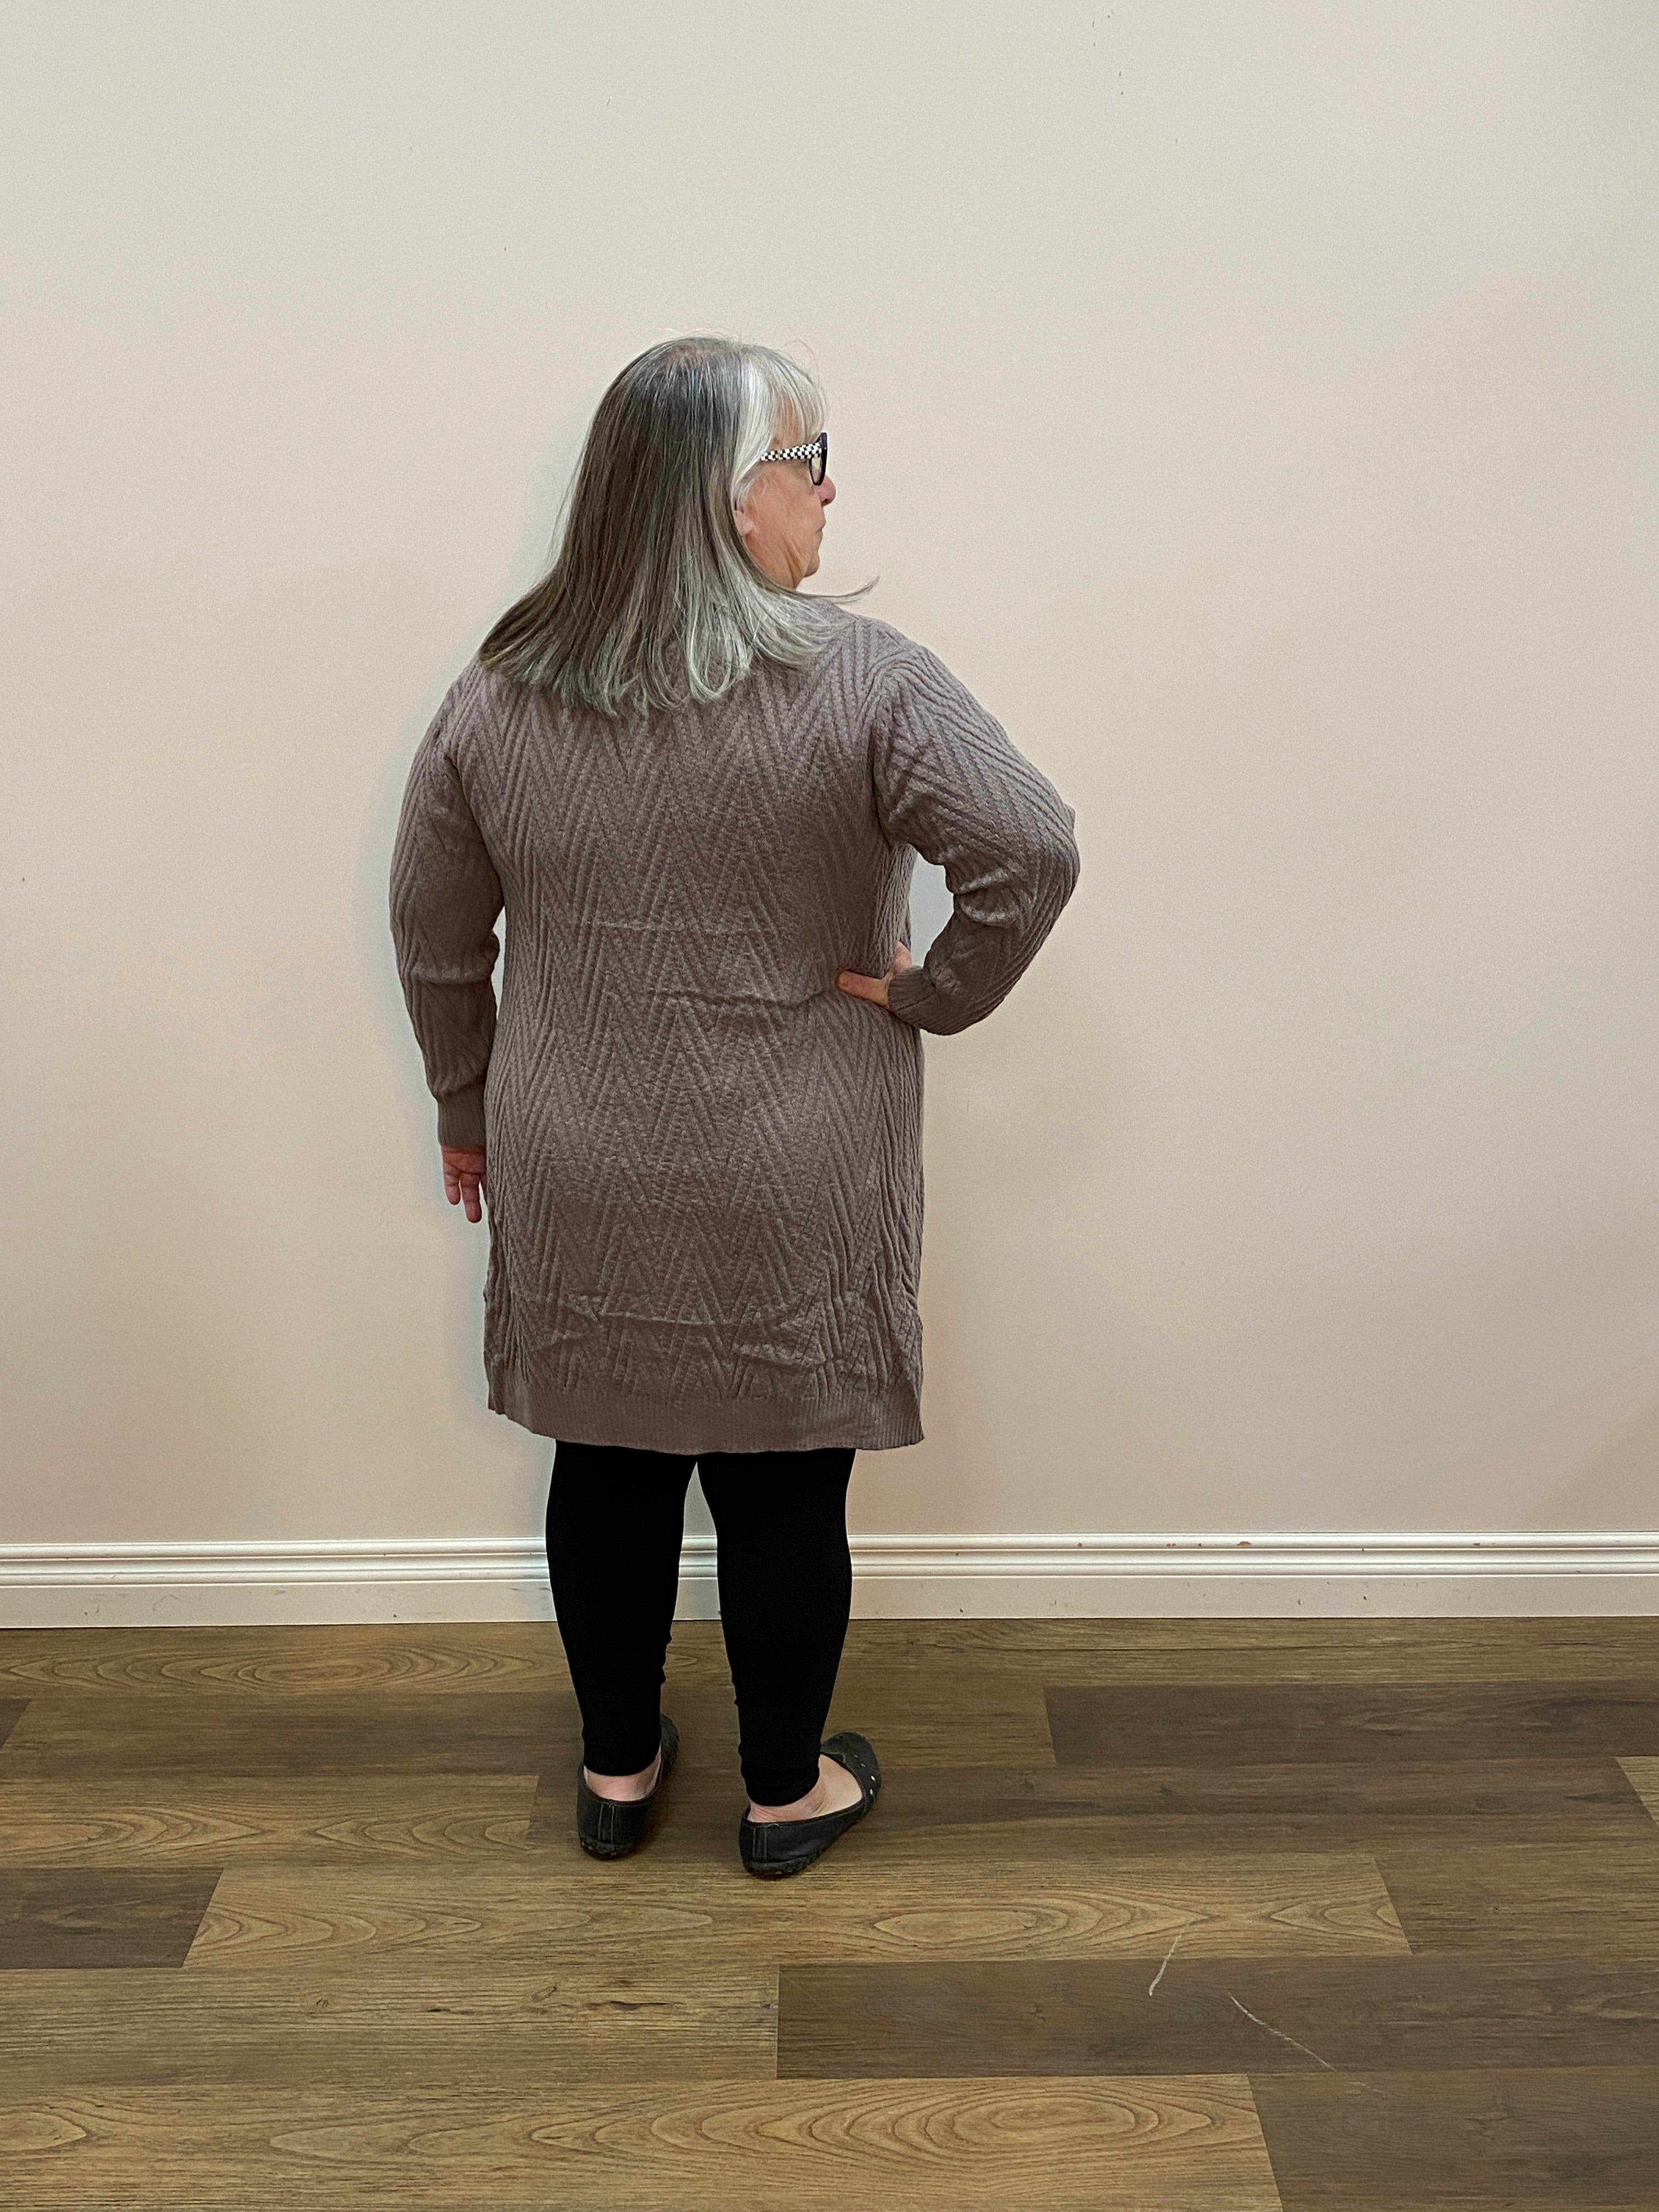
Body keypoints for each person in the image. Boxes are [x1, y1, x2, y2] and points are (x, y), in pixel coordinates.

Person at [389, 335, 1080, 1877]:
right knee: (782, 1484)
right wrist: (930, 996)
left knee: (606, 1463)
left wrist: (465, 1109)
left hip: (578, 1147)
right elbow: (1029, 849)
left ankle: (620, 1774)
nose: (829, 498)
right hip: (794, 1152)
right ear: (728, 494)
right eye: (809, 464)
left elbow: (435, 936)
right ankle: (785, 1794)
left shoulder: (501, 692)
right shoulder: (866, 680)